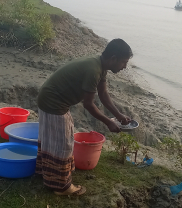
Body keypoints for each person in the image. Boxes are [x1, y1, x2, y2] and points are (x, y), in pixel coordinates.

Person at [35, 38, 133, 196]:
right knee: (63, 144)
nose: (124, 67)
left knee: (52, 139)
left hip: (51, 99)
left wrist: (118, 115)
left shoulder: (100, 66)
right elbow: (88, 104)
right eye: (123, 62)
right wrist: (108, 122)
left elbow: (103, 94)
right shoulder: (93, 70)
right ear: (113, 58)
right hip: (53, 102)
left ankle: (46, 173)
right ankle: (62, 187)